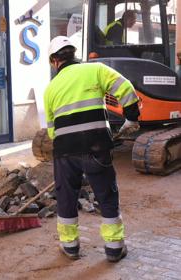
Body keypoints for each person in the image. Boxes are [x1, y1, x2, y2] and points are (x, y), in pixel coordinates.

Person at [44, 36, 140, 262]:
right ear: (73, 54)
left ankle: (70, 247)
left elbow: (51, 131)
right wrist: (132, 117)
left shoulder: (50, 89)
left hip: (64, 152)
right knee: (106, 195)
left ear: (54, 61)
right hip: (96, 146)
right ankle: (114, 248)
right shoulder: (95, 70)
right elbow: (125, 88)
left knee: (66, 198)